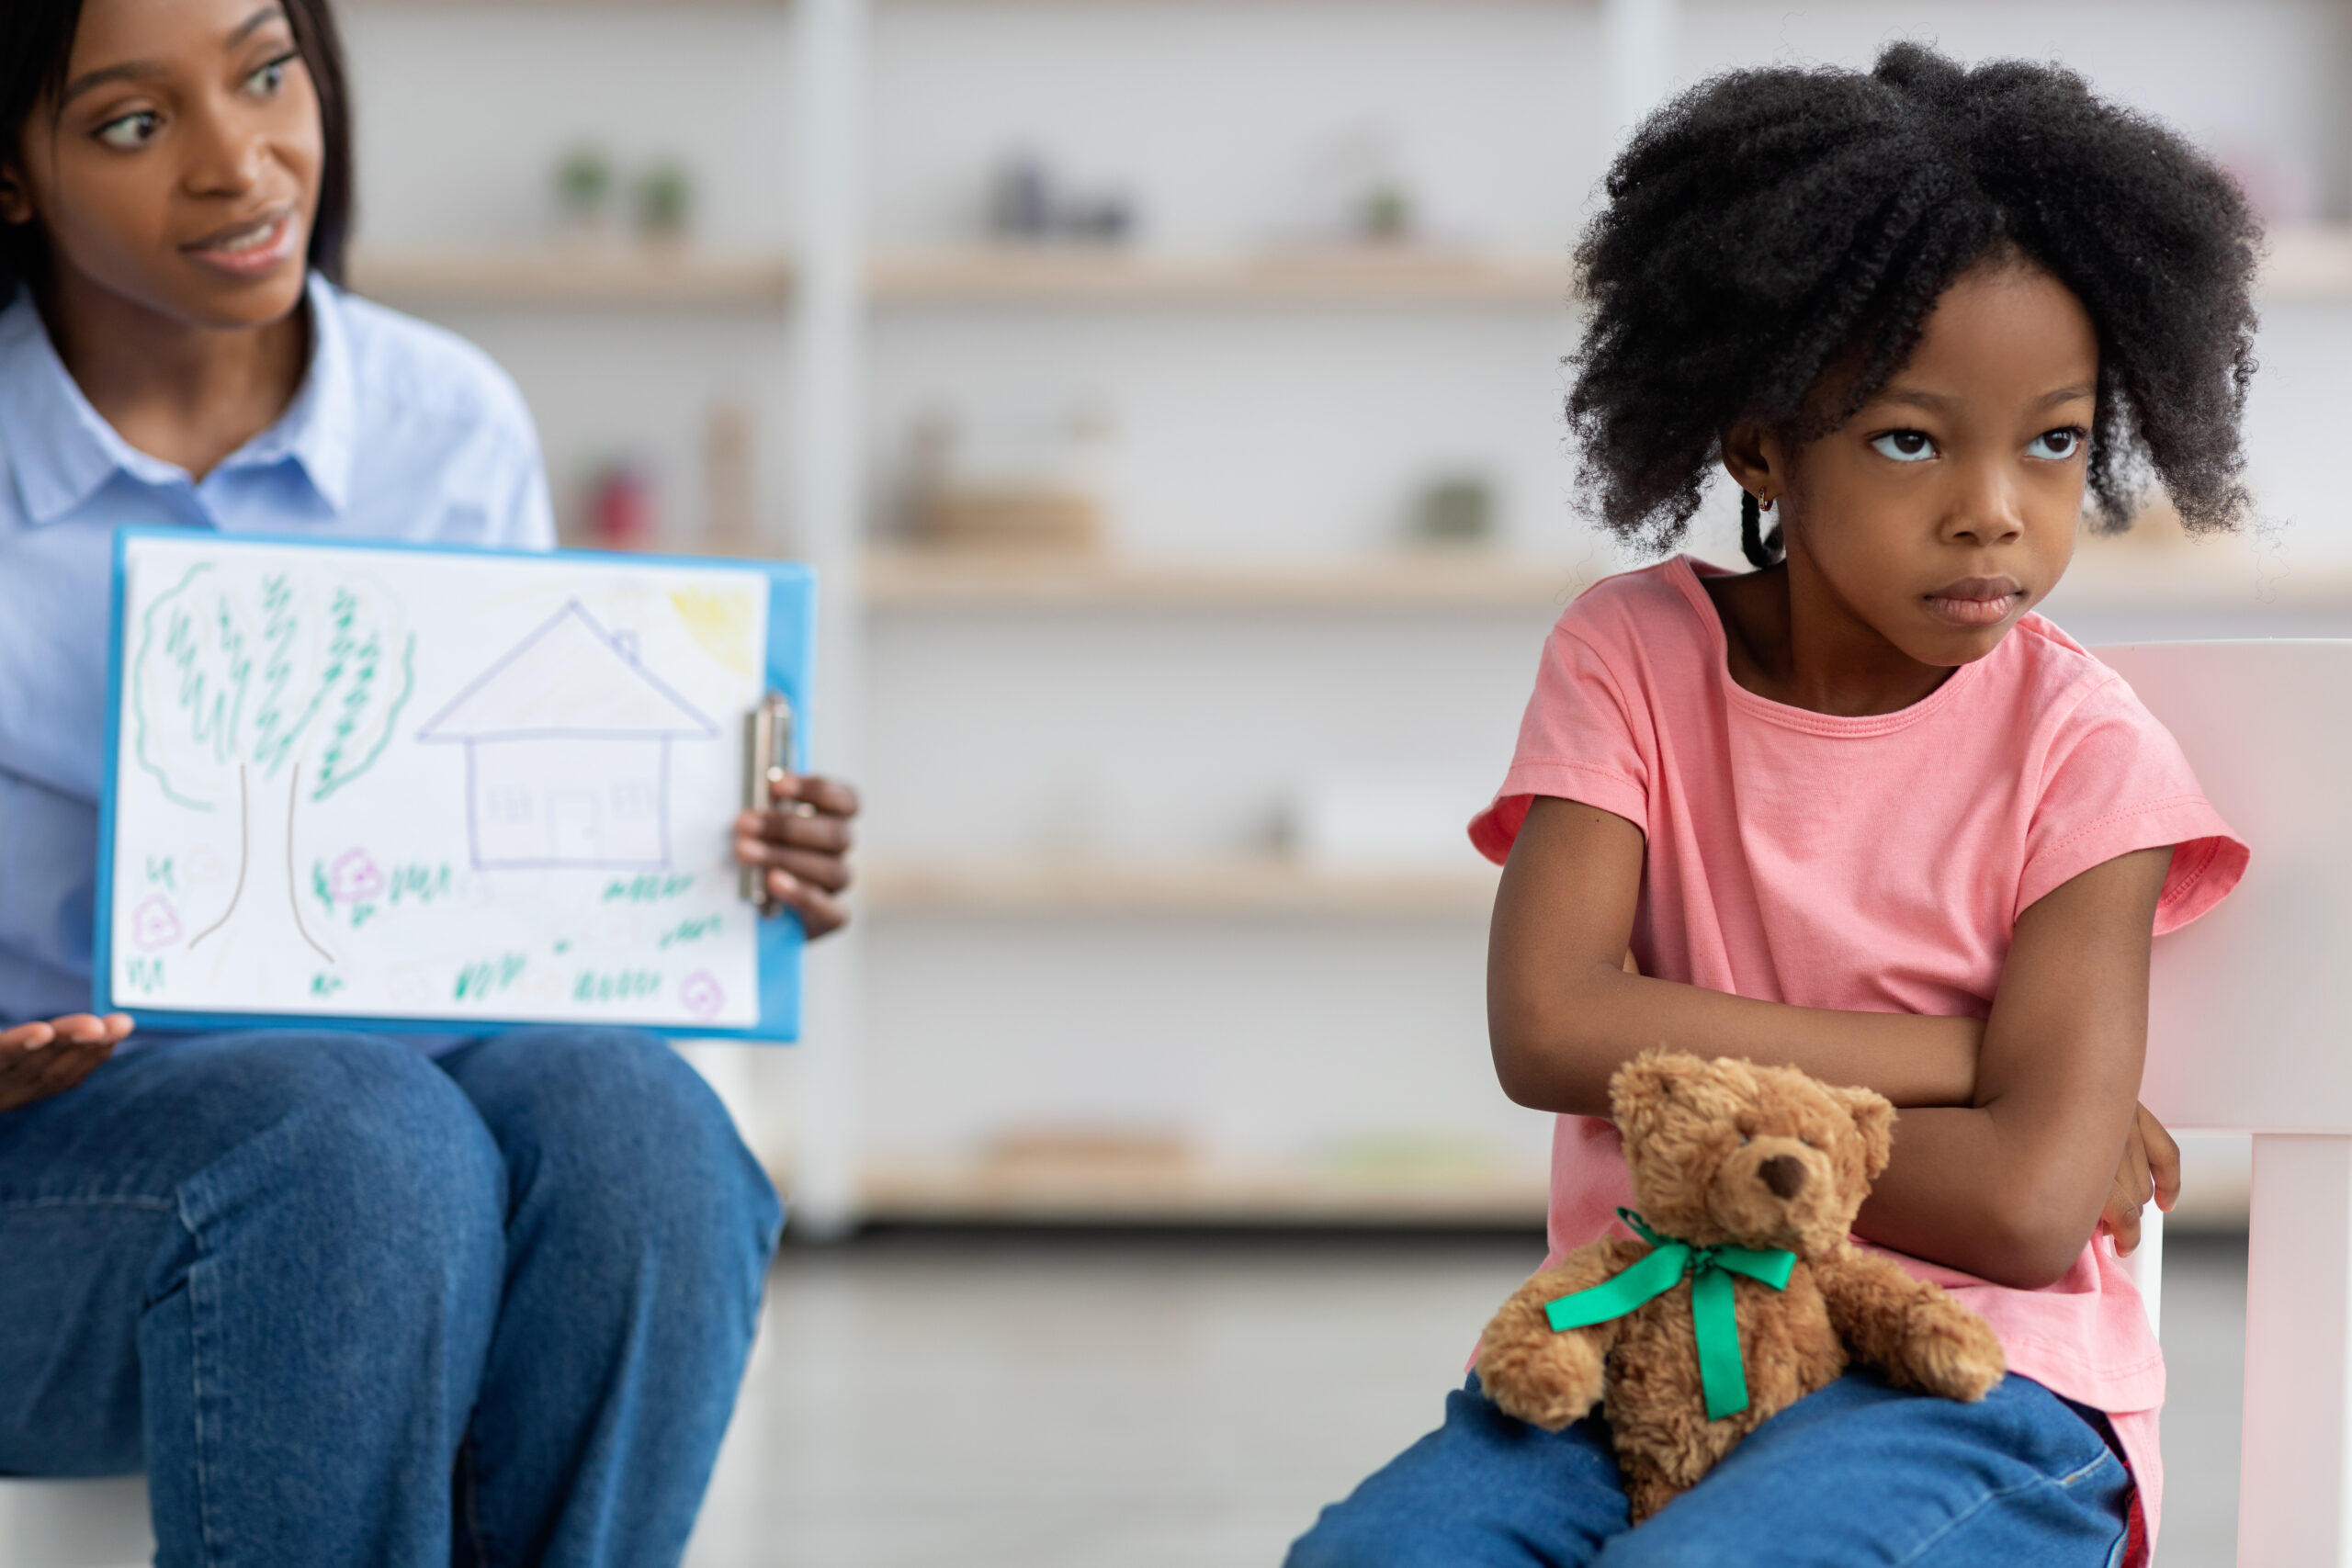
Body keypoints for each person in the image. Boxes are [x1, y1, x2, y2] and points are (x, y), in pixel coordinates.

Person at [1289, 43, 2257, 1568]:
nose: (1994, 506)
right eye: (1909, 439)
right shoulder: (1632, 655)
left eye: (2055, 441)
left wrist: (1677, 1066)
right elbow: (1545, 1026)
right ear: (1759, 447)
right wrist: (1954, 1063)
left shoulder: (2084, 750)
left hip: (1983, 1383)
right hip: (1648, 1356)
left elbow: (2022, 1211)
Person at [0, 0, 858, 1562]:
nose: (238, 163)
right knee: (356, 1135)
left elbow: (493, 878)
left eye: (268, 74)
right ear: (10, 170)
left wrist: (710, 873)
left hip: (397, 1127)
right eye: (136, 123)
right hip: (46, 1178)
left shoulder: (447, 417)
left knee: (644, 1133)